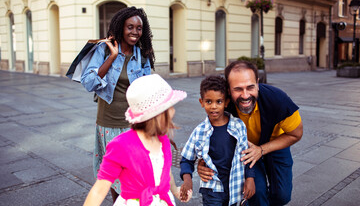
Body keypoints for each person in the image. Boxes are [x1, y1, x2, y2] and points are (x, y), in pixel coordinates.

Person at [197, 61, 303, 206]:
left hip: (276, 143)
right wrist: (203, 163)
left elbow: (296, 134)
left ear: (257, 83)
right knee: (256, 193)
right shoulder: (223, 106)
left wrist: (261, 150)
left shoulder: (278, 100)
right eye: (238, 89)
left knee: (282, 196)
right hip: (244, 151)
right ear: (228, 90)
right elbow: (210, 135)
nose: (245, 95)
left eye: (250, 87)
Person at [81, 6, 155, 202]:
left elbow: (147, 88)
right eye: (130, 27)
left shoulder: (143, 55)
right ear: (121, 27)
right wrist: (112, 57)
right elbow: (88, 82)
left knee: (134, 174)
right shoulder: (104, 49)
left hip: (134, 124)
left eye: (139, 28)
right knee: (115, 174)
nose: (135, 32)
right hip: (108, 122)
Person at [83, 74, 192, 206]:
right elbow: (99, 189)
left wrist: (175, 190)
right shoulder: (121, 145)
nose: (173, 111)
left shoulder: (162, 139)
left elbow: (165, 171)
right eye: (170, 106)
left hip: (163, 200)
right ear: (158, 114)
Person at [179, 75, 255, 206]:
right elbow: (186, 159)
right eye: (209, 101)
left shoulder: (238, 126)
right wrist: (187, 180)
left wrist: (250, 178)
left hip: (237, 187)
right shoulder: (199, 131)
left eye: (219, 102)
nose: (214, 106)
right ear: (201, 102)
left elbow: (247, 155)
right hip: (212, 190)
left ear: (226, 102)